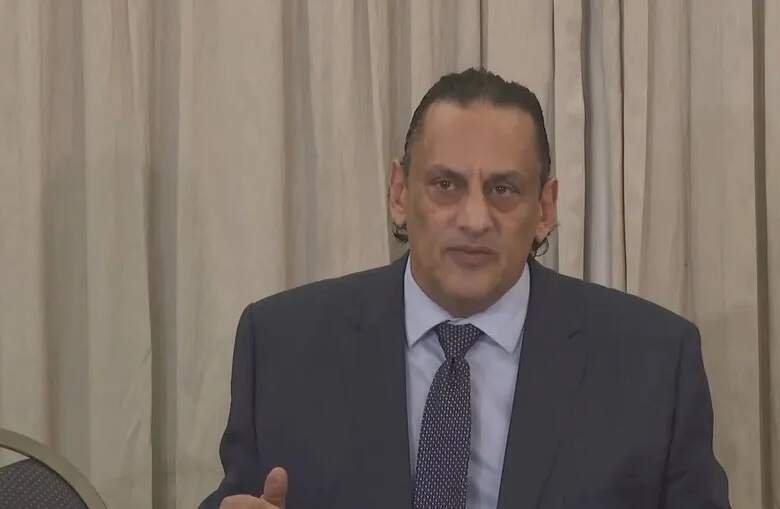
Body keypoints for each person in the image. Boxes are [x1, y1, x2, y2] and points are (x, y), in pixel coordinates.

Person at [201, 68, 730, 509]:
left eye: (503, 189)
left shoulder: (654, 362)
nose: (474, 219)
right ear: (399, 193)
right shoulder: (282, 345)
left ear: (544, 209)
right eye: (445, 185)